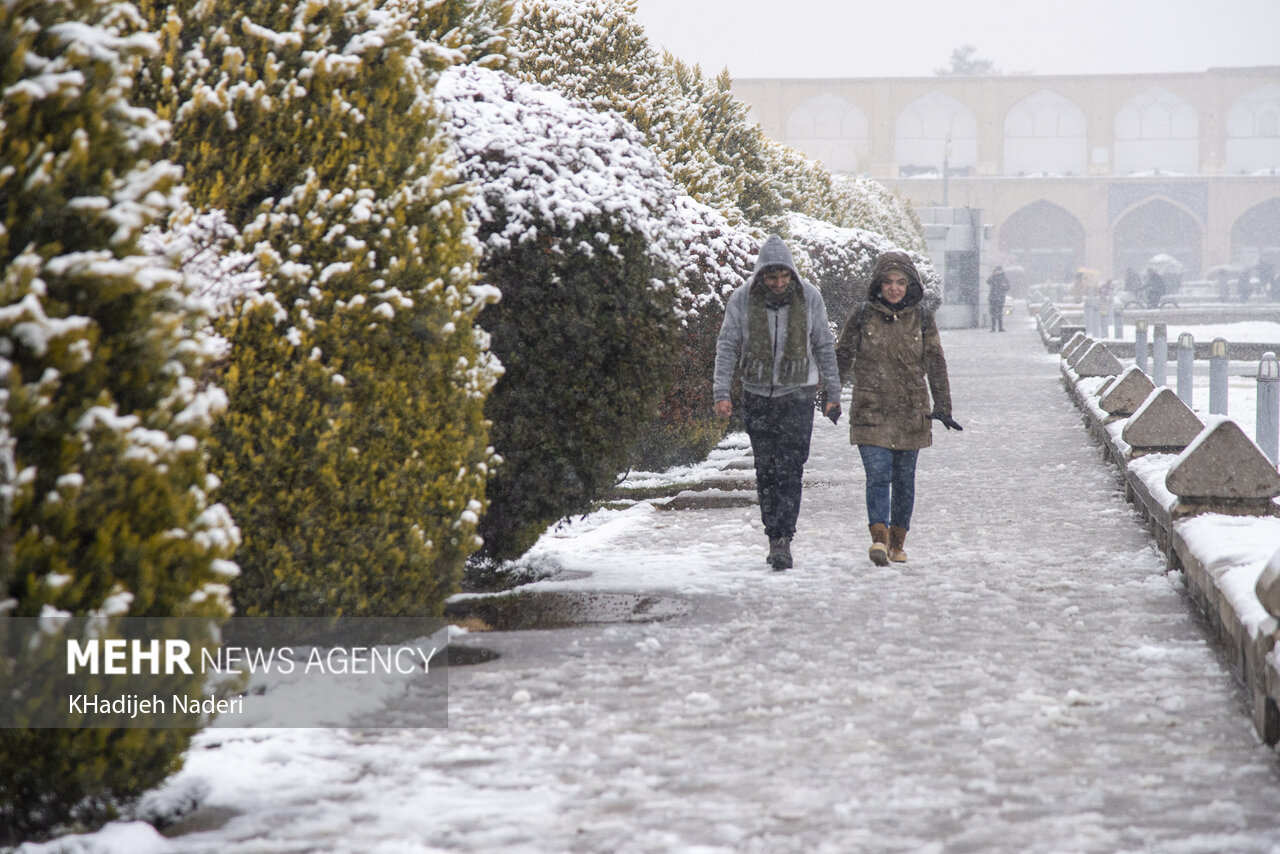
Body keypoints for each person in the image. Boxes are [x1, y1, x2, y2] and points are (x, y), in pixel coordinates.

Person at [713, 235, 841, 571]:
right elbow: (727, 345)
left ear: (792, 274)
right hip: (757, 395)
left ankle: (785, 535)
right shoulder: (742, 299)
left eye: (784, 277)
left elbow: (824, 345)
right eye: (772, 278)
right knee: (765, 469)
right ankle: (774, 535)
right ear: (760, 276)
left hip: (798, 394)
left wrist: (833, 393)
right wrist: (721, 393)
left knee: (791, 468)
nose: (779, 283)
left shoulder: (809, 296)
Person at [835, 251, 959, 567]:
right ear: (879, 284)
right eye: (888, 282)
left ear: (910, 285)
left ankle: (897, 542)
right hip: (870, 410)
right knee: (878, 474)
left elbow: (935, 361)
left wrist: (943, 404)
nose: (894, 288)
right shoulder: (862, 315)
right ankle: (879, 538)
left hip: (911, 411)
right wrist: (830, 394)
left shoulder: (923, 318)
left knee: (904, 480)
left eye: (900, 282)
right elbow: (842, 356)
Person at [986, 265, 1010, 332]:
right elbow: (987, 281)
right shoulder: (993, 278)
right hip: (993, 298)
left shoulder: (1003, 278)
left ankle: (1000, 327)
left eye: (997, 270)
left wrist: (1003, 287)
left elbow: (1008, 287)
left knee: (999, 313)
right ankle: (993, 328)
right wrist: (993, 275)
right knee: (993, 313)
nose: (996, 272)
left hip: (1000, 298)